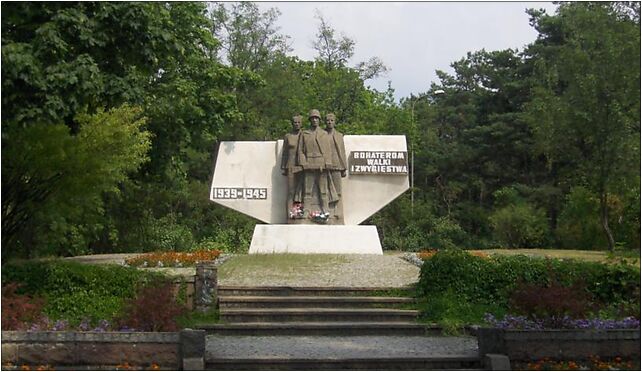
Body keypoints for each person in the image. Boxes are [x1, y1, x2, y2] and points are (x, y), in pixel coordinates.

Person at [297, 109, 333, 222]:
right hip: (309, 164)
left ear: (319, 120)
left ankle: (325, 211)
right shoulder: (304, 134)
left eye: (316, 118)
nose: (314, 120)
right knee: (307, 190)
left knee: (323, 190)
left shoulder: (324, 134)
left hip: (321, 165)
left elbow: (328, 151)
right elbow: (300, 150)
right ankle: (306, 210)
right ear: (310, 120)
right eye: (312, 118)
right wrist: (303, 163)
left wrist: (326, 163)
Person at [325, 113, 347, 224]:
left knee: (338, 190)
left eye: (332, 120)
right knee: (326, 190)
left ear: (335, 121)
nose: (330, 122)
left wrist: (344, 167)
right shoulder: (322, 134)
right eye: (328, 120)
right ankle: (327, 211)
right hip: (325, 166)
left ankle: (338, 211)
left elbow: (342, 151)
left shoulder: (339, 135)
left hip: (337, 165)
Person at [281, 115, 304, 220]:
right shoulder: (288, 136)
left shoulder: (304, 135)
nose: (297, 124)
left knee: (300, 192)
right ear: (292, 123)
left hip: (301, 166)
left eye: (299, 122)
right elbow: (285, 153)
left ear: (301, 123)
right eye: (295, 122)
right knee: (291, 192)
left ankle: (299, 213)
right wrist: (284, 167)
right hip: (290, 165)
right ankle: (289, 215)